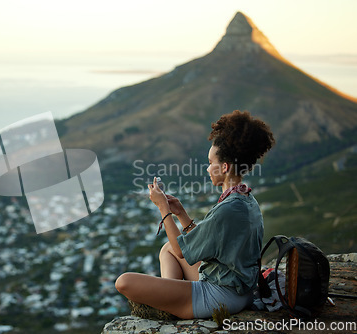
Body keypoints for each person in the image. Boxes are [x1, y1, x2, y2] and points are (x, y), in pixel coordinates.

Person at [115, 110, 275, 319]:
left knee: (124, 282)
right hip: (238, 287)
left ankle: (171, 306)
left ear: (224, 167)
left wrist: (163, 208)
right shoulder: (245, 199)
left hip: (221, 296)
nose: (208, 169)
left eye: (210, 163)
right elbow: (201, 243)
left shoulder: (229, 209)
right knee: (167, 250)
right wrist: (180, 213)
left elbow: (182, 250)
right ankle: (171, 300)